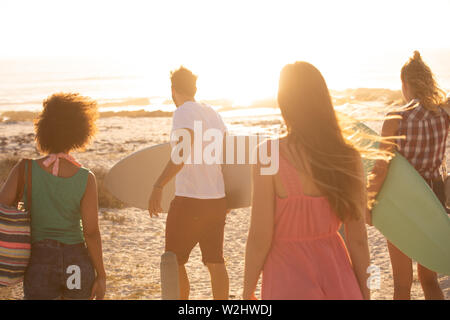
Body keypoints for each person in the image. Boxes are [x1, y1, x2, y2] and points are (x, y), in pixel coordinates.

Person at [243, 62, 371, 300]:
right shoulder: (347, 156)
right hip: (338, 278)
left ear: (284, 103)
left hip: (286, 279)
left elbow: (260, 236)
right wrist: (364, 293)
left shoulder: (268, 154)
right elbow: (358, 240)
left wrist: (247, 289)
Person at [0, 93, 106, 300]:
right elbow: (91, 233)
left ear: (44, 128)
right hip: (76, 262)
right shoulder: (86, 178)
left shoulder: (24, 169)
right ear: (81, 131)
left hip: (39, 261)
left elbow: (2, 208)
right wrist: (101, 275)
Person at [367, 51, 448, 300]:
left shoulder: (395, 118)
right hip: (433, 197)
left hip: (401, 200)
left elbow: (381, 168)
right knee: (429, 279)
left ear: (404, 84)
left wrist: (368, 202)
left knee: (402, 283)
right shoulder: (445, 114)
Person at [148, 66, 229, 300]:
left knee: (173, 261)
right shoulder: (213, 113)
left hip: (190, 200)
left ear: (173, 90)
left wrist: (158, 185)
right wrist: (226, 196)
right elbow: (225, 155)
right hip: (216, 199)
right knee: (215, 261)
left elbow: (181, 154)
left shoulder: (183, 111)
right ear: (194, 88)